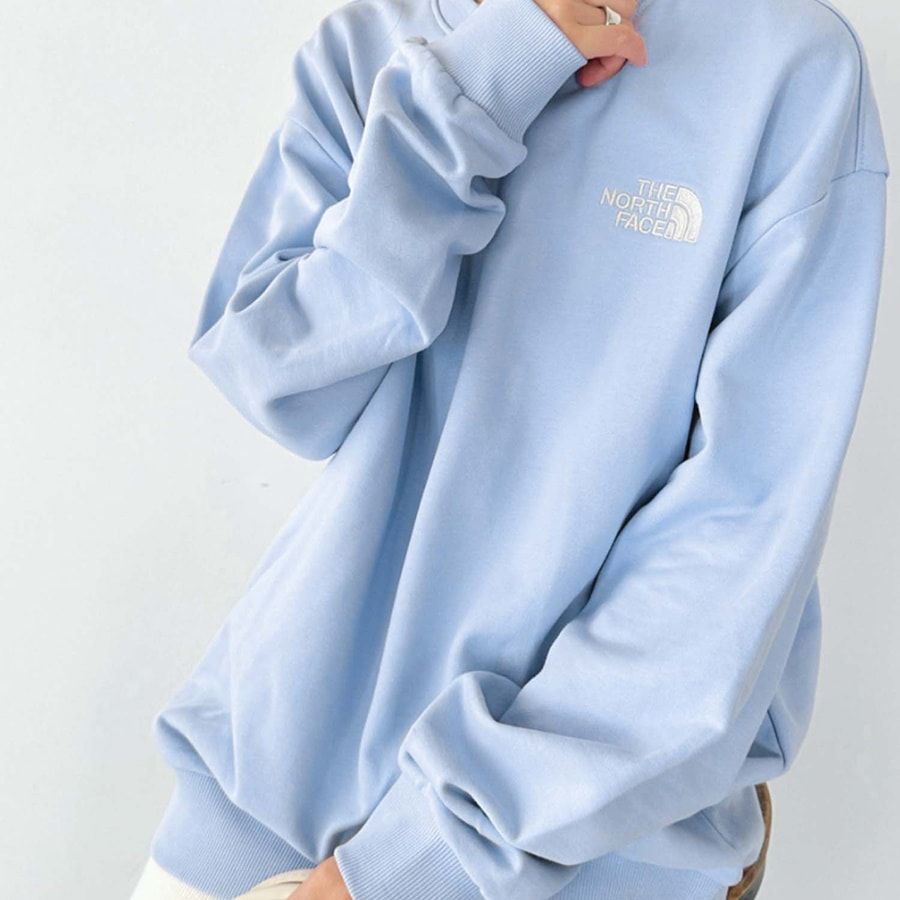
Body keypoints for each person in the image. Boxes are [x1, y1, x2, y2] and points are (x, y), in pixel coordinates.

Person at [129, 0, 888, 895]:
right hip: (264, 804)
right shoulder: (379, 38)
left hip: (575, 852)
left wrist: (428, 857)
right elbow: (284, 384)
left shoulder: (786, 66)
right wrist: (481, 86)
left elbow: (739, 530)